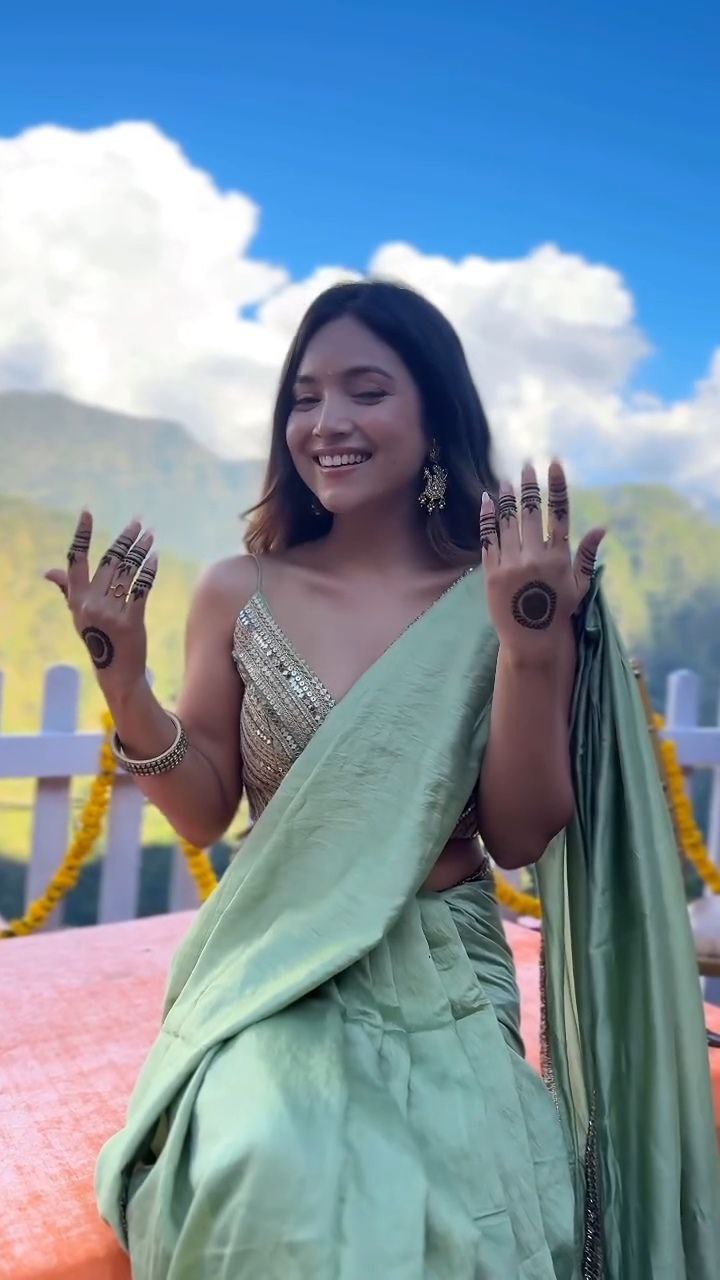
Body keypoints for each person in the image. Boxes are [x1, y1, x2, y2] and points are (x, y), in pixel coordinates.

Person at [47, 281, 718, 1277]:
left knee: (471, 1210)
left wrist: (530, 647)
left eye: (366, 391)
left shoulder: (493, 596)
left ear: (436, 419)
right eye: (305, 397)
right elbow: (203, 808)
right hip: (278, 957)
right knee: (257, 1160)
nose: (327, 422)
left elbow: (520, 834)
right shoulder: (240, 589)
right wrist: (123, 680)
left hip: (444, 964)